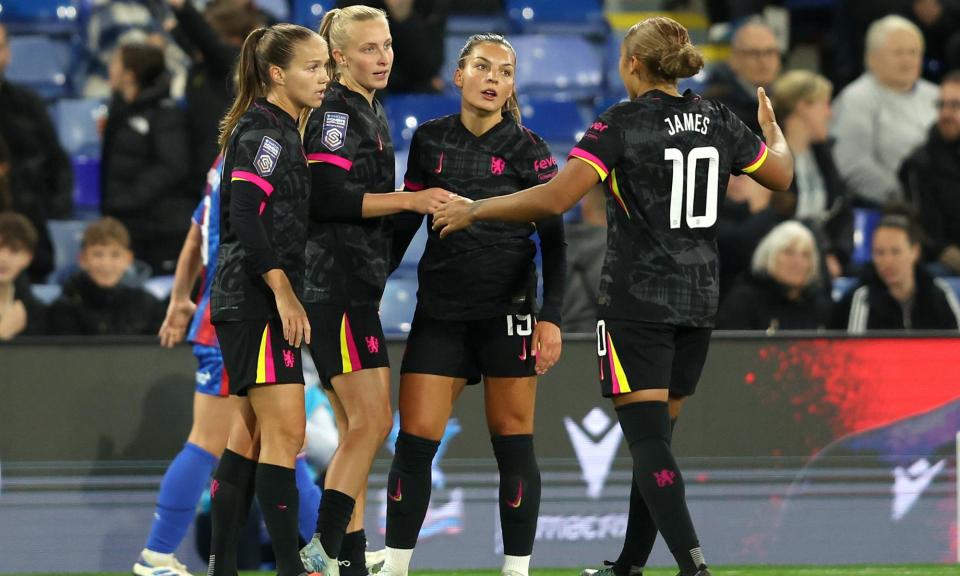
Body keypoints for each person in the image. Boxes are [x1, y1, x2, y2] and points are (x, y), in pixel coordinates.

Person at [433, 16, 794, 576]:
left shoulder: (622, 123)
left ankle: (694, 567)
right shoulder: (717, 118)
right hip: (699, 302)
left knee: (649, 443)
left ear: (632, 64)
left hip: (637, 303)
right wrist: (773, 133)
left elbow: (556, 199)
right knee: (657, 444)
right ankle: (628, 564)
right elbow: (782, 176)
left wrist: (476, 208)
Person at [378, 33, 565, 576]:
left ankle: (516, 570)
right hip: (441, 311)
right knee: (414, 444)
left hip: (508, 311)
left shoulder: (529, 149)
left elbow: (555, 242)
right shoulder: (430, 141)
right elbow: (406, 223)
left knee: (513, 446)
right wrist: (369, 288)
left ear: (511, 87)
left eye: (504, 72)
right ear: (458, 76)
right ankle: (395, 565)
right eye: (482, 67)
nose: (493, 79)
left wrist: (550, 318)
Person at [297, 7, 451, 576]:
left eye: (386, 46)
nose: (383, 57)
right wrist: (411, 199)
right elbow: (328, 196)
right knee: (371, 423)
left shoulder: (369, 108)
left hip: (353, 285)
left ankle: (351, 562)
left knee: (353, 430)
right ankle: (323, 547)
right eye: (368, 48)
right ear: (338, 57)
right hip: (334, 286)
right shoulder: (337, 111)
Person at [205, 23, 328, 576]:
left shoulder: (277, 130)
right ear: (278, 74)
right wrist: (283, 291)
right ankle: (288, 567)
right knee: (287, 434)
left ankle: (224, 566)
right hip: (255, 300)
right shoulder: (269, 134)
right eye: (312, 67)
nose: (324, 78)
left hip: (244, 299)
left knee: (249, 436)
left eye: (326, 66)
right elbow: (244, 214)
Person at [101, 41, 192, 274]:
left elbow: (172, 165)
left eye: (115, 64)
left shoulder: (165, 114)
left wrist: (128, 198)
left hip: (159, 231)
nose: (109, 69)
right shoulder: (121, 110)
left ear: (130, 75)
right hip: (132, 225)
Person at [831, 15, 938, 207]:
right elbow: (853, 164)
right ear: (872, 58)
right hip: (889, 207)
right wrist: (906, 197)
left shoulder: (937, 95)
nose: (908, 60)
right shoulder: (856, 99)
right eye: (898, 53)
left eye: (913, 52)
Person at [0, 23, 73, 282]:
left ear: (7, 53)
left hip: (28, 238)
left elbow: (58, 164)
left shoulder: (29, 104)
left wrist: (51, 213)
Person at [165, 0, 261, 197]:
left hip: (226, 168)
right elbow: (199, 47)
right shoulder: (206, 65)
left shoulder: (238, 61)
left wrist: (183, 9)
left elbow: (207, 42)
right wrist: (175, 29)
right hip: (200, 167)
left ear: (231, 37)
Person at [772, 70, 851, 278]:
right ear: (802, 107)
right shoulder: (767, 156)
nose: (829, 113)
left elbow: (843, 211)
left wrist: (835, 254)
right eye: (824, 104)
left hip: (823, 261)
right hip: (783, 260)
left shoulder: (824, 154)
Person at [833, 211, 960, 332]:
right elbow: (855, 351)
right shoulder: (861, 298)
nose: (887, 261)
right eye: (879, 252)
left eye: (896, 252)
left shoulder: (940, 293)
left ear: (915, 252)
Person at [48, 217, 165, 336]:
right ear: (82, 259)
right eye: (98, 254)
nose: (106, 263)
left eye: (115, 255)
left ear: (128, 259)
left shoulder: (148, 305)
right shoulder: (63, 308)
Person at [716, 221, 831, 331]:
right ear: (769, 256)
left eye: (805, 255)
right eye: (788, 252)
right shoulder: (743, 302)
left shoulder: (820, 308)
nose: (798, 262)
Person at [899, 71, 960, 275]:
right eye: (941, 105)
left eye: (955, 105)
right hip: (943, 265)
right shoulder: (921, 164)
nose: (945, 113)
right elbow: (930, 238)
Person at [337, 0, 447, 93]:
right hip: (365, 84)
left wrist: (404, 16)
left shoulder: (431, 5)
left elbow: (431, 66)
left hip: (414, 85)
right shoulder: (353, 5)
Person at [704, 19, 782, 135]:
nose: (763, 61)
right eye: (753, 53)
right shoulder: (715, 109)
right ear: (734, 59)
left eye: (769, 52)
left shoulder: (787, 102)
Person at [563, 185, 607, 333]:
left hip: (557, 343)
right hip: (597, 342)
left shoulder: (556, 244)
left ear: (584, 208)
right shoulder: (610, 245)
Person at [0, 212, 46, 340]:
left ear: (28, 258)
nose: (3, 258)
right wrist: (2, 333)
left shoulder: (35, 310)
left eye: (14, 250)